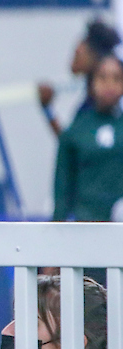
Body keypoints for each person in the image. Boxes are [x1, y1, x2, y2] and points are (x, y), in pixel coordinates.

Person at [53, 53, 123, 223]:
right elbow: (63, 184)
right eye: (102, 78)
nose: (109, 85)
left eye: (117, 78)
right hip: (83, 222)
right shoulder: (77, 129)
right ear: (91, 83)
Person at [38, 19, 121, 137]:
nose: (77, 50)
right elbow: (72, 145)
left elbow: (76, 148)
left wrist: (47, 109)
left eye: (78, 54)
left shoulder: (102, 108)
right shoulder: (90, 102)